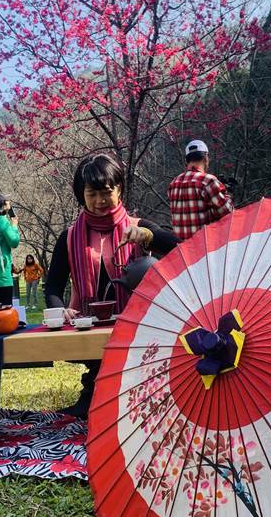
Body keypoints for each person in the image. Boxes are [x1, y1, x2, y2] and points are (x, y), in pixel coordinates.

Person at [45, 152, 179, 418]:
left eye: (106, 192)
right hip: (89, 331)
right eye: (91, 194)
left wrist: (148, 237)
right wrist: (62, 311)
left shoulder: (138, 227)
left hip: (139, 332)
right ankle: (94, 393)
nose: (99, 201)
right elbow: (52, 288)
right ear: (80, 194)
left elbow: (182, 248)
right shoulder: (69, 237)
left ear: (120, 190)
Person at [167, 140, 234, 241]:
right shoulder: (207, 181)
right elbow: (228, 212)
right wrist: (228, 194)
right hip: (203, 248)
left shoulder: (173, 183)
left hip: (181, 250)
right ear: (205, 158)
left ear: (187, 160)